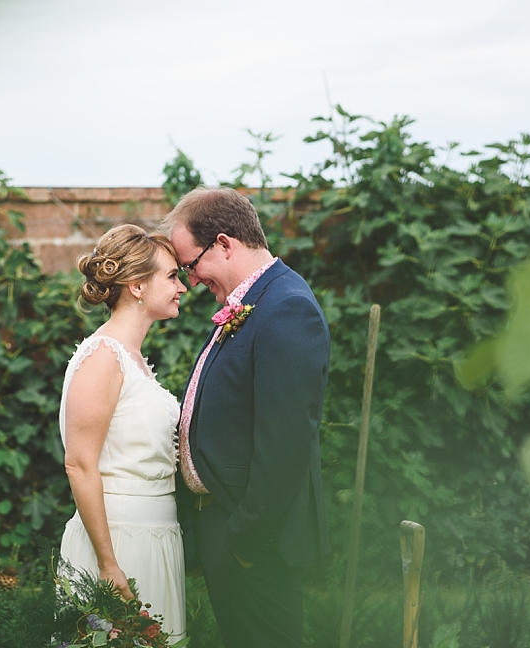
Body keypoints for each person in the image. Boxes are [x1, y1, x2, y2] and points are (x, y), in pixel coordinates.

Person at [163, 186, 331, 648]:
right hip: (231, 530)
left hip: (256, 540)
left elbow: (285, 443)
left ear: (223, 243)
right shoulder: (255, 302)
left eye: (191, 265)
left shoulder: (286, 307)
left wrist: (244, 545)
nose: (192, 281)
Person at [58, 223, 188, 643]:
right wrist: (108, 563)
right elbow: (79, 464)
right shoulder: (103, 357)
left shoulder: (132, 358)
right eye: (171, 276)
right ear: (136, 285)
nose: (182, 286)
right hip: (118, 542)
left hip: (156, 538)